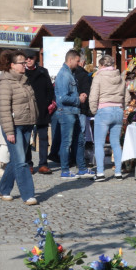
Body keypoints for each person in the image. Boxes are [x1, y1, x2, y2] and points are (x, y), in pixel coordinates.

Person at [0, 50, 39, 205]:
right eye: (22, 62)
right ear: (12, 65)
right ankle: (28, 194)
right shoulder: (5, 82)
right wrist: (9, 131)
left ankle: (3, 189)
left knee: (15, 160)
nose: (25, 64)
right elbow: (4, 109)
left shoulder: (24, 80)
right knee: (22, 161)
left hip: (27, 124)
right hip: (14, 127)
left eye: (26, 61)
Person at [89, 55, 128, 181]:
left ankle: (100, 173)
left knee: (99, 144)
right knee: (116, 143)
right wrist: (122, 107)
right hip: (118, 110)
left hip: (104, 110)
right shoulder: (120, 77)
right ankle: (118, 172)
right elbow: (127, 97)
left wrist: (94, 111)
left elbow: (93, 96)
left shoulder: (99, 76)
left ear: (102, 65)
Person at [53, 49, 89, 180]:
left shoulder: (70, 73)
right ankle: (65, 170)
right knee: (66, 142)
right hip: (66, 112)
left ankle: (82, 169)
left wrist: (79, 97)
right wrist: (78, 99)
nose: (79, 63)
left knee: (80, 140)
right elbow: (62, 98)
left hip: (73, 111)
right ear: (70, 60)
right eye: (78, 61)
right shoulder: (64, 75)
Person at [23, 51, 55, 175]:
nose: (28, 60)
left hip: (42, 109)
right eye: (26, 58)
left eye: (30, 58)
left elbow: (50, 89)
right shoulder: (22, 72)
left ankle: (43, 164)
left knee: (43, 137)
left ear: (35, 58)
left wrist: (47, 103)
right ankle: (28, 164)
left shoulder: (43, 71)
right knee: (27, 137)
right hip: (27, 109)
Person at [73, 61, 95, 177]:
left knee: (72, 137)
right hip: (81, 109)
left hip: (73, 109)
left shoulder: (69, 74)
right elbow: (88, 92)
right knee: (80, 136)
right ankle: (80, 162)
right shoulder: (84, 75)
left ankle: (72, 162)